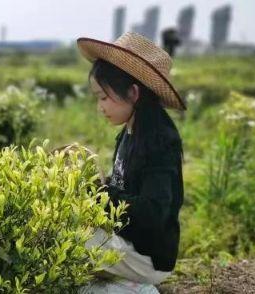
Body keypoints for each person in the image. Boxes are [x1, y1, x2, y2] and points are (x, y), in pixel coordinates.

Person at [76, 32, 186, 293]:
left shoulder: (159, 141)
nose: (100, 107)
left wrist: (101, 193)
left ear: (134, 92)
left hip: (148, 257)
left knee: (63, 243)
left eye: (103, 97)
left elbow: (152, 211)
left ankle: (139, 288)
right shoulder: (129, 132)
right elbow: (121, 193)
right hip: (127, 242)